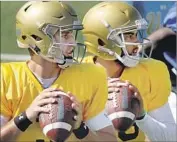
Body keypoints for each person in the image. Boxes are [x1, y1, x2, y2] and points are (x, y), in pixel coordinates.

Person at [0, 1, 117, 142]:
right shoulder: (6, 78)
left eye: (72, 35)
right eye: (65, 35)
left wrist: (80, 128)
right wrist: (25, 117)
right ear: (37, 38)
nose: (73, 43)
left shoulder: (90, 76)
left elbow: (109, 139)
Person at [82, 1, 176, 142]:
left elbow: (170, 137)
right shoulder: (77, 76)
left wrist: (142, 116)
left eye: (135, 35)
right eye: (129, 36)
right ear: (102, 43)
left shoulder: (151, 71)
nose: (137, 42)